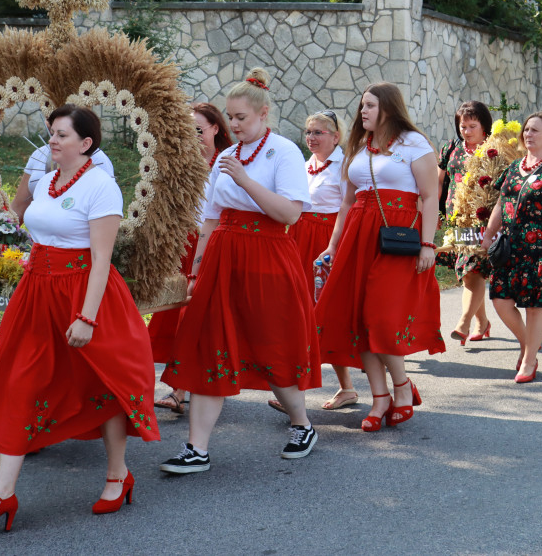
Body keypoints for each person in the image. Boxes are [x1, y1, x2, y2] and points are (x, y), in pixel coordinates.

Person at [0, 104, 159, 529]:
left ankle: (117, 475)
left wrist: (87, 317)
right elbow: (29, 231)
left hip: (85, 294)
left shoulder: (102, 187)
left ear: (86, 144)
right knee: (19, 383)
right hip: (36, 294)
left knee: (102, 383)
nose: (51, 140)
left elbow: (102, 260)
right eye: (51, 133)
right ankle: (1, 495)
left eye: (61, 135)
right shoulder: (45, 180)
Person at [160, 68, 321, 474]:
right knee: (208, 343)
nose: (233, 124)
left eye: (241, 118)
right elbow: (210, 221)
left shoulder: (283, 151)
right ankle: (197, 447)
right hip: (223, 257)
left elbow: (289, 213)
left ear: (263, 114)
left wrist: (247, 181)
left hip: (268, 255)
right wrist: (197, 270)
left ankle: (301, 423)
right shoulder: (228, 157)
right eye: (230, 117)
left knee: (272, 343)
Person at [314, 82, 443, 432]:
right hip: (358, 235)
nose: (363, 112)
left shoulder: (414, 144)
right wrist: (333, 244)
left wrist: (428, 244)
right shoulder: (359, 147)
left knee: (380, 316)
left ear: (388, 107)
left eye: (369, 105)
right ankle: (380, 396)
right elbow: (346, 202)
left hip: (396, 238)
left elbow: (430, 197)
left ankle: (400, 386)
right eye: (361, 106)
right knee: (359, 318)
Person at [480, 111, 542, 383]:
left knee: (534, 305)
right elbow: (501, 204)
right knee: (500, 300)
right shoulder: (514, 168)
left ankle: (529, 359)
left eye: (535, 130)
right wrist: (488, 234)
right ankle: (529, 344)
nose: (528, 134)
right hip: (510, 246)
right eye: (526, 130)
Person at [268, 109, 358, 412]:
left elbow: (348, 209)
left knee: (323, 314)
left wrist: (334, 247)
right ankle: (299, 392)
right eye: (309, 132)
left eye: (319, 132)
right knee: (297, 314)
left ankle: (345, 388)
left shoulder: (344, 165)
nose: (312, 137)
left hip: (326, 242)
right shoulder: (305, 166)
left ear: (336, 136)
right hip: (297, 239)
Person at [151, 102, 232, 414]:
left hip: (218, 245)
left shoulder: (230, 162)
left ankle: (192, 385)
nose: (194, 136)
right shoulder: (178, 164)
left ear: (215, 128)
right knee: (178, 315)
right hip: (184, 246)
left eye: (199, 129)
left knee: (202, 318)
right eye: (188, 131)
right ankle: (181, 386)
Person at [435, 100, 494, 344]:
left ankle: (464, 322)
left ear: (484, 127)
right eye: (463, 126)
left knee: (472, 270)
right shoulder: (451, 148)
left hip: (482, 221)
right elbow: (440, 182)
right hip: (457, 220)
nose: (466, 131)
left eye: (472, 126)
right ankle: (482, 322)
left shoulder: (494, 150)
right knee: (469, 272)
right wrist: (436, 214)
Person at [10, 130, 114, 220]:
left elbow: (106, 211)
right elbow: (18, 208)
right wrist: (2, 231)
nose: (51, 140)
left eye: (62, 134)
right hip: (38, 240)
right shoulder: (39, 154)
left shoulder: (96, 158)